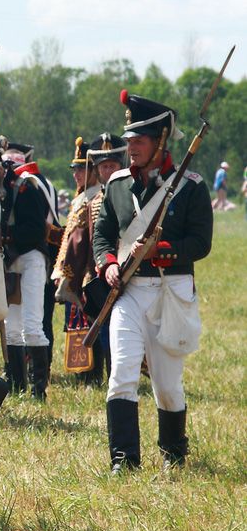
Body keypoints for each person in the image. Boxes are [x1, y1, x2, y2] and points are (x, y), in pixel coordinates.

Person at [93, 91, 213, 474]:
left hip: (171, 290)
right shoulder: (116, 184)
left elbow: (200, 243)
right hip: (129, 290)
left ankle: (174, 454)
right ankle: (123, 461)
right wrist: (108, 263)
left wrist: (161, 249)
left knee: (166, 385)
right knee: (122, 373)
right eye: (128, 141)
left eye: (139, 141)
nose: (131, 148)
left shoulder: (190, 186)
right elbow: (102, 232)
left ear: (161, 140)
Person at [52, 135, 121, 387]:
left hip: (115, 270)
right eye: (75, 169)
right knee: (95, 327)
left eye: (82, 168)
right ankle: (96, 375)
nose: (77, 174)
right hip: (93, 273)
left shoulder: (101, 199)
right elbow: (78, 241)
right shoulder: (89, 201)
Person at [0, 142, 57, 400]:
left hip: (31, 258)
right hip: (11, 262)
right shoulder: (3, 190)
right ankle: (15, 383)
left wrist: (6, 236)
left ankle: (38, 390)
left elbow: (35, 231)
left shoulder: (29, 188)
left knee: (32, 326)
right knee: (11, 326)